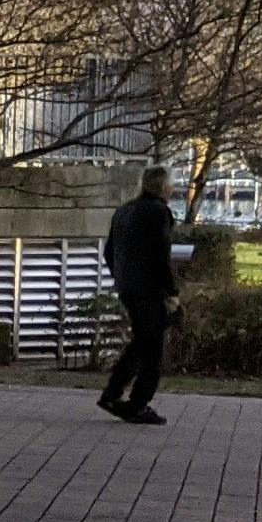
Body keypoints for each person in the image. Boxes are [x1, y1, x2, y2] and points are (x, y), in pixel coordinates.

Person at [100, 174, 178, 425]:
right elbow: (160, 255)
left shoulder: (124, 211)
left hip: (128, 286)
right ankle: (137, 402)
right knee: (152, 346)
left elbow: (109, 251)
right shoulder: (159, 212)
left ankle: (114, 393)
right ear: (164, 186)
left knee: (142, 341)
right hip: (149, 288)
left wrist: (121, 277)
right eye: (172, 184)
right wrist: (172, 291)